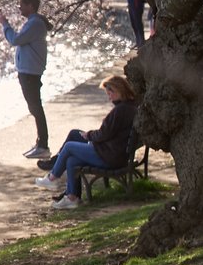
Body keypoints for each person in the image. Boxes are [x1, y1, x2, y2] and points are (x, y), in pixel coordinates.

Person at [32, 75, 138, 212]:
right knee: (72, 155)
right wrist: (90, 136)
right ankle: (72, 198)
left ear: (118, 90)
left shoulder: (120, 111)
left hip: (110, 156)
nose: (109, 97)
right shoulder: (129, 106)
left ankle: (53, 177)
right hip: (114, 151)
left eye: (110, 93)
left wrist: (89, 135)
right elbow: (107, 133)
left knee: (69, 147)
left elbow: (104, 134)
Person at [0, 0, 51, 159]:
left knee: (36, 107)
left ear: (31, 6)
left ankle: (43, 145)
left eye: (21, 4)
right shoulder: (33, 22)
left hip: (30, 72)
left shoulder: (34, 23)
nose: (19, 8)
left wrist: (5, 25)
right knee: (34, 107)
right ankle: (40, 143)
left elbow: (15, 39)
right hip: (28, 71)